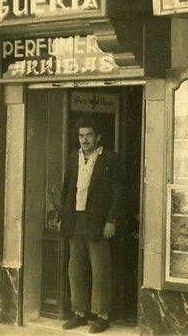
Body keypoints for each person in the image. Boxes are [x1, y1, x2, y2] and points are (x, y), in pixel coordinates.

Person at [58, 115, 123, 334]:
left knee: (100, 269)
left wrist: (111, 220)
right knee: (75, 268)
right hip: (75, 220)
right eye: (81, 136)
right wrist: (62, 216)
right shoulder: (72, 157)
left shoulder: (110, 159)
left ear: (98, 137)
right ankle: (80, 312)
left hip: (97, 221)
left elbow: (118, 193)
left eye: (89, 135)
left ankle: (102, 315)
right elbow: (67, 189)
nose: (84, 140)